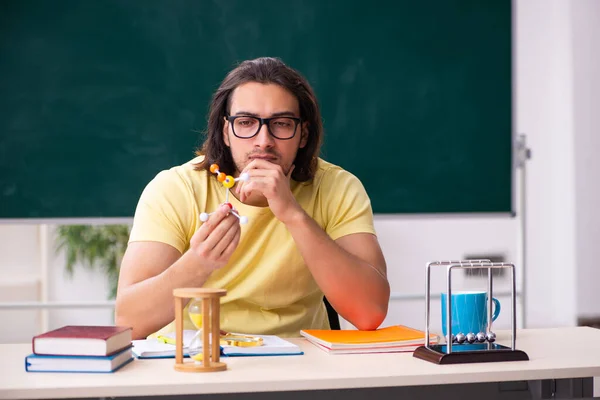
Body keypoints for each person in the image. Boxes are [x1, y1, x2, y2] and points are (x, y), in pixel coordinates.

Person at [115, 57, 390, 340]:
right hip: (198, 362)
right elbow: (130, 320)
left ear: (303, 134)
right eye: (246, 123)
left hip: (301, 364)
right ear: (225, 132)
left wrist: (293, 214)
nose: (263, 140)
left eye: (281, 124)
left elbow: (369, 313)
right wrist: (200, 262)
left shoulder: (337, 187)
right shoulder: (175, 188)